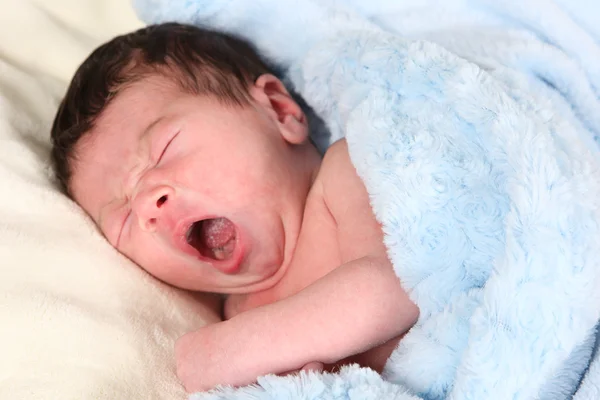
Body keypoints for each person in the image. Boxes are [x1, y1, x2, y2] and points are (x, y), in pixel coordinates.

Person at [50, 22, 419, 392]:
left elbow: (395, 286)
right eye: (124, 218)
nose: (148, 203)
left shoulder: (344, 174)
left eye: (163, 149)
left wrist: (233, 351)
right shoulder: (230, 314)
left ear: (278, 110)